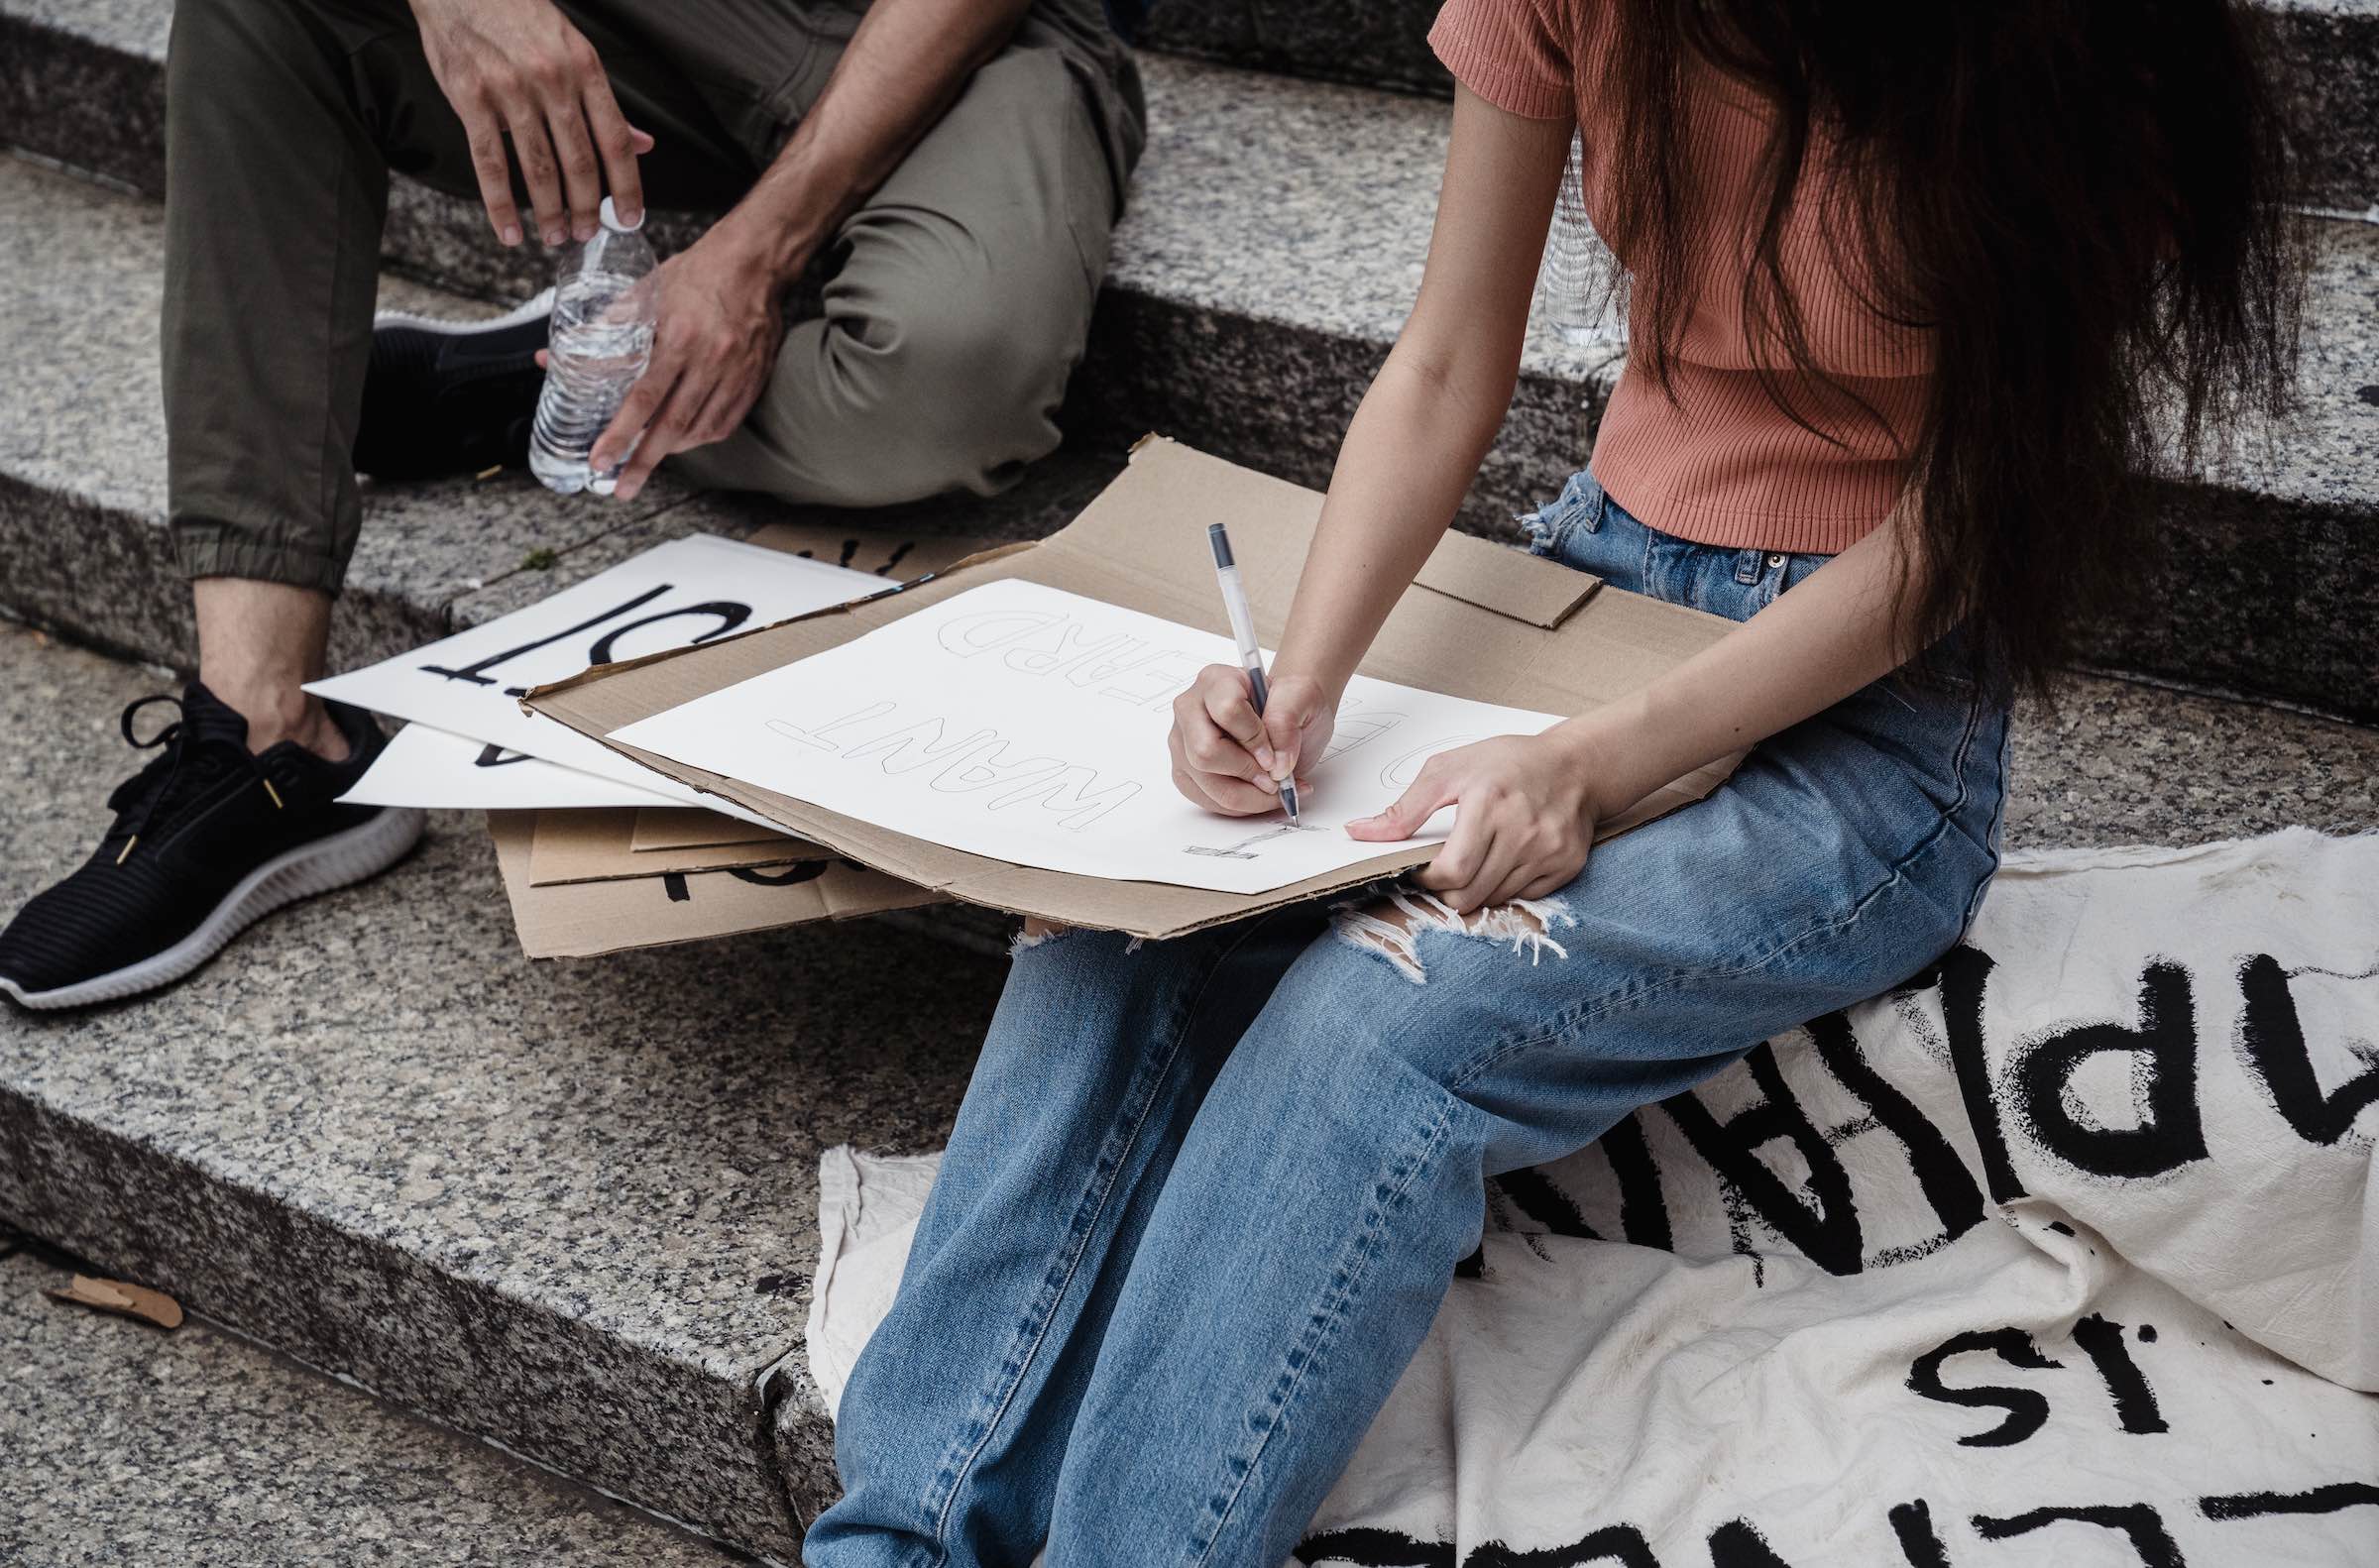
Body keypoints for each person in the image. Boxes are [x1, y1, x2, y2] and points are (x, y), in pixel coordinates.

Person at [804, 1, 2300, 1563]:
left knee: (1377, 1016)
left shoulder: (2074, 49)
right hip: (1591, 601)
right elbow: (1450, 356)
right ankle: (888, 1540)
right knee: (1129, 915)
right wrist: (1294, 685)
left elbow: (1974, 526)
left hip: (1862, 710)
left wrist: (1600, 764)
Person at [0, 0, 1142, 1009]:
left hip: (949, 27)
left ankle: (559, 380)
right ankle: (269, 730)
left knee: (945, 377)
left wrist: (755, 256)